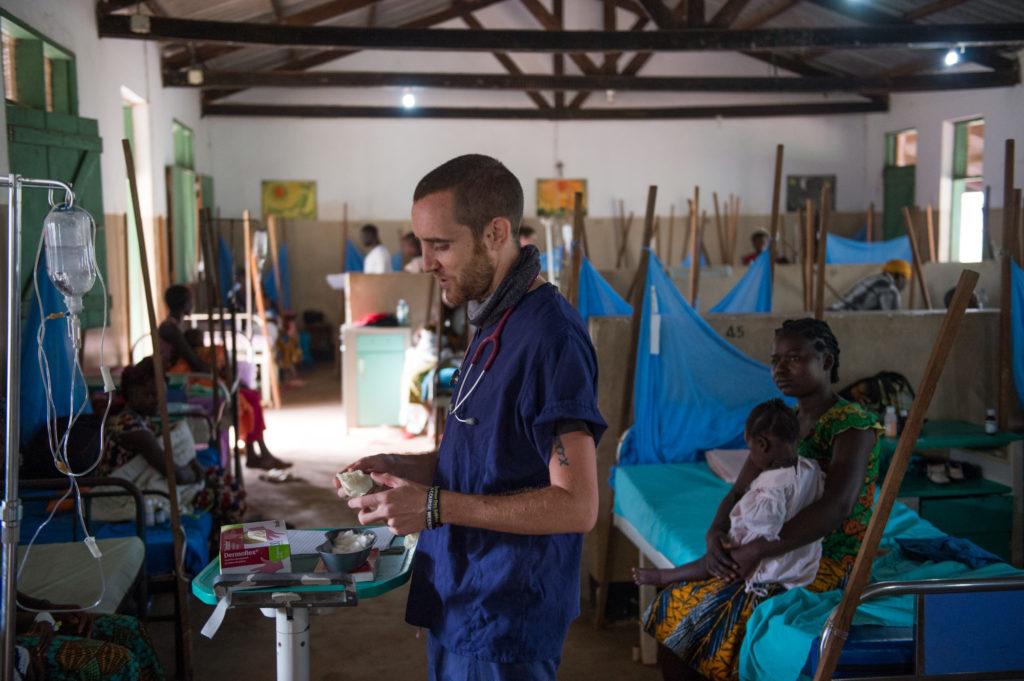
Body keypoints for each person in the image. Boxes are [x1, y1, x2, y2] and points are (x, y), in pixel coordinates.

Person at [338, 154, 606, 680]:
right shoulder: (491, 316)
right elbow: (486, 454)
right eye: (421, 245)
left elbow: (577, 505)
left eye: (441, 245)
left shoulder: (552, 340)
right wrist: (401, 464)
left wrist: (434, 506)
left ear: (496, 232)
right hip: (460, 593)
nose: (425, 262)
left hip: (506, 612)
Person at [641, 318, 882, 680]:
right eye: (776, 359)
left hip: (822, 557)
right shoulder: (781, 422)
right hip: (769, 550)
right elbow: (739, 489)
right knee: (674, 607)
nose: (780, 368)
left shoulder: (852, 425)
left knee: (708, 621)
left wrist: (760, 549)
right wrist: (714, 532)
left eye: (794, 357)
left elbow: (837, 507)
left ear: (827, 362)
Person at [633, 399, 824, 679]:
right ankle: (671, 575)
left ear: (762, 444)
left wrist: (730, 571)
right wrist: (714, 531)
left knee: (710, 564)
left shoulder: (768, 493)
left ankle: (664, 576)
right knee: (716, 552)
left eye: (748, 447)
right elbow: (736, 494)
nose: (749, 456)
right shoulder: (810, 470)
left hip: (764, 576)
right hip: (801, 570)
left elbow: (757, 545)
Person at [105, 357, 246, 529]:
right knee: (224, 493)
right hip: (128, 493)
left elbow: (168, 452)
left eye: (160, 394)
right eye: (149, 395)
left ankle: (233, 540)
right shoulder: (132, 428)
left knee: (224, 480)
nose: (157, 400)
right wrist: (197, 475)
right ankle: (237, 544)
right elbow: (175, 475)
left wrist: (193, 465)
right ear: (130, 394)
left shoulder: (140, 421)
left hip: (143, 483)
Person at [158, 285, 209, 372]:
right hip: (169, 376)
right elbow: (193, 361)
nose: (193, 303)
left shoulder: (176, 326)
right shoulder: (170, 329)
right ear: (184, 303)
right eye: (190, 300)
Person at [829, 259, 911, 311]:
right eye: (905, 279)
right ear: (899, 276)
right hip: (842, 322)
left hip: (832, 313)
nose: (905, 284)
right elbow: (893, 321)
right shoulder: (889, 289)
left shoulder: (875, 279)